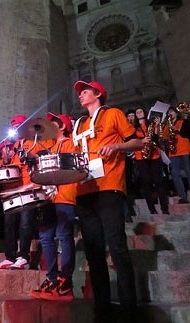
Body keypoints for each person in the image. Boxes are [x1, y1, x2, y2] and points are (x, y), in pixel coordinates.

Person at [72, 81, 144, 323]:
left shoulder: (113, 113)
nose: (81, 95)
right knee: (93, 253)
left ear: (98, 94)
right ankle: (101, 310)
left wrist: (117, 146)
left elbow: (138, 142)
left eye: (85, 91)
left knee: (117, 247)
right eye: (80, 92)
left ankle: (129, 310)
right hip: (83, 190)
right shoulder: (79, 124)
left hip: (109, 187)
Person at [0, 114, 55, 270]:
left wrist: (31, 156)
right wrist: (4, 160)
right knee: (9, 223)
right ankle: (10, 256)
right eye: (14, 126)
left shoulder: (36, 141)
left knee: (26, 223)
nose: (16, 129)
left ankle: (23, 256)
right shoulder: (12, 145)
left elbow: (44, 156)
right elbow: (7, 166)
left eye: (19, 126)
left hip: (29, 186)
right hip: (13, 189)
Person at [30, 112, 77, 301]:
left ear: (63, 127)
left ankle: (65, 281)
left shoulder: (71, 143)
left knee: (64, 235)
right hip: (48, 196)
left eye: (54, 123)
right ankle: (51, 280)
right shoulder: (50, 146)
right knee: (46, 236)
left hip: (66, 193)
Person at [134, 107, 169, 214]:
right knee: (146, 183)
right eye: (137, 112)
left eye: (141, 111)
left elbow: (159, 137)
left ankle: (164, 208)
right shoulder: (133, 127)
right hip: (141, 156)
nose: (139, 113)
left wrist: (157, 126)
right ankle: (152, 209)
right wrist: (141, 140)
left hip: (154, 155)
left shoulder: (151, 124)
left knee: (159, 182)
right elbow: (132, 140)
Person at [164, 106, 190, 203]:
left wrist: (177, 130)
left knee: (188, 171)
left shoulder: (182, 122)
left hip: (184, 149)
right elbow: (165, 139)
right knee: (175, 174)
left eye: (172, 111)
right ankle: (183, 197)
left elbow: (186, 133)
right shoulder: (167, 126)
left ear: (176, 113)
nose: (170, 113)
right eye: (168, 112)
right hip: (173, 152)